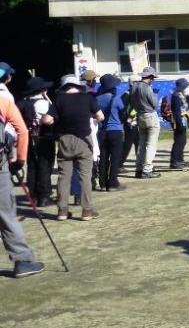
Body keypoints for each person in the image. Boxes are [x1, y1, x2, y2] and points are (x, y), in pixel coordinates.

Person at [41, 75, 103, 221]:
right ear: (78, 86)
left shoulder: (59, 100)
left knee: (64, 176)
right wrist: (89, 117)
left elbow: (48, 120)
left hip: (65, 140)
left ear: (63, 87)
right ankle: (87, 211)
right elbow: (100, 116)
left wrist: (45, 118)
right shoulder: (88, 98)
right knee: (85, 177)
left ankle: (62, 211)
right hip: (84, 140)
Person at [0, 91, 45, 277]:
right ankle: (22, 261)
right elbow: (23, 131)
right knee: (6, 215)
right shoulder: (3, 102)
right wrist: (20, 160)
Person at [16, 77, 56, 206]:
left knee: (32, 166)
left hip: (28, 137)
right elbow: (51, 116)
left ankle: (32, 195)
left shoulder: (22, 103)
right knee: (45, 166)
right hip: (44, 137)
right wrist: (48, 98)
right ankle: (44, 196)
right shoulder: (43, 103)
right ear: (42, 90)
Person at [94, 74, 126, 192]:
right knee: (115, 158)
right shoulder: (117, 99)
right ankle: (113, 183)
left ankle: (102, 184)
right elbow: (124, 114)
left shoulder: (97, 99)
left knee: (103, 158)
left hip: (102, 131)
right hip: (116, 131)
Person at [131, 66, 161, 179]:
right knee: (151, 145)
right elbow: (154, 104)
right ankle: (147, 169)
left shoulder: (134, 86)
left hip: (140, 115)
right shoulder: (147, 88)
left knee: (142, 145)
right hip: (150, 115)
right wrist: (155, 94)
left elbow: (132, 103)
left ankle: (138, 169)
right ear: (151, 77)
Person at [168, 78, 189, 170]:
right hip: (178, 121)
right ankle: (174, 161)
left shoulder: (181, 94)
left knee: (183, 141)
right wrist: (179, 123)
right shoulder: (176, 96)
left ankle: (180, 160)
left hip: (183, 121)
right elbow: (177, 111)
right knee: (178, 141)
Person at [120, 74, 141, 172]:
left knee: (138, 142)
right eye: (139, 82)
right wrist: (130, 117)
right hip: (130, 123)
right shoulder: (127, 94)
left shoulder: (134, 93)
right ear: (133, 83)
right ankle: (119, 164)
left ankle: (140, 163)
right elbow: (126, 109)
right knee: (127, 144)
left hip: (135, 122)